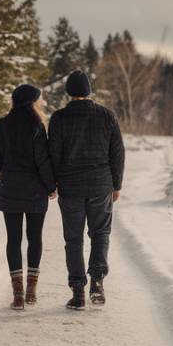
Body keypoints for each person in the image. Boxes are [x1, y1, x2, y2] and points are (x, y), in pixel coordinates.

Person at [48, 70, 125, 310]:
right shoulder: (106, 116)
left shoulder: (59, 118)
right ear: (89, 91)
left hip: (70, 187)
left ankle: (78, 292)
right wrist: (117, 184)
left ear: (68, 92)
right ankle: (98, 283)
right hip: (101, 184)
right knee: (100, 234)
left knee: (73, 239)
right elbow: (118, 153)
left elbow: (53, 155)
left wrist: (52, 184)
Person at [0, 84, 57, 310]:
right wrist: (50, 186)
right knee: (35, 238)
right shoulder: (37, 126)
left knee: (13, 239)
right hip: (35, 189)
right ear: (32, 102)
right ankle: (31, 292)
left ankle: (17, 295)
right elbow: (43, 160)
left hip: (10, 188)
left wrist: (4, 171)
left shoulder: (2, 125)